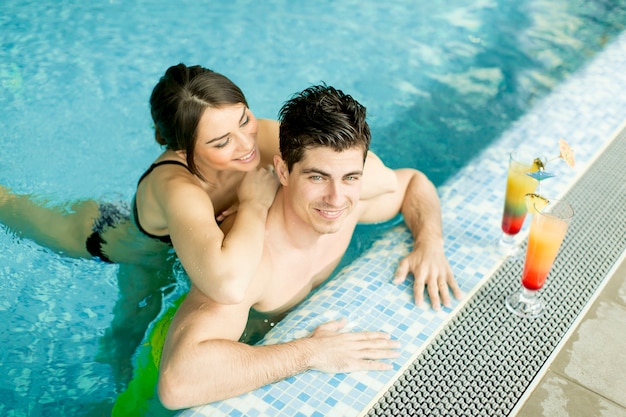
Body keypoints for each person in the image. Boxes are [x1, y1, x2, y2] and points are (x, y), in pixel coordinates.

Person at [0, 64, 399, 388]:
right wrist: (254, 203)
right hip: (124, 243)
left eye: (243, 119)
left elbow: (381, 180)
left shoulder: (258, 135)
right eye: (220, 142)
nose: (245, 145)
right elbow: (227, 284)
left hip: (194, 243)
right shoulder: (177, 187)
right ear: (181, 148)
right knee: (131, 319)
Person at [157, 84, 462, 410]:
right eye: (317, 178)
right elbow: (178, 382)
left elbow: (414, 183)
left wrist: (429, 242)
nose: (335, 199)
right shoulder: (252, 259)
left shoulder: (350, 203)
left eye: (350, 177)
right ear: (283, 171)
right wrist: (310, 352)